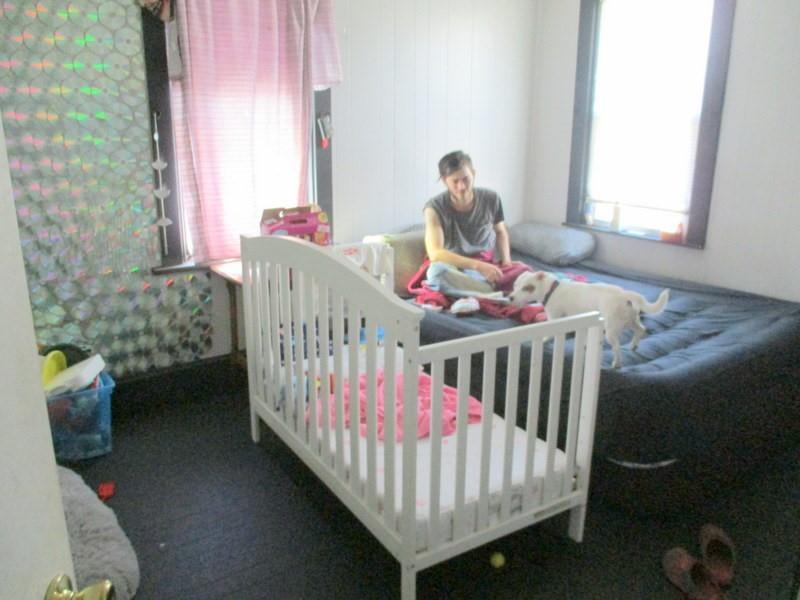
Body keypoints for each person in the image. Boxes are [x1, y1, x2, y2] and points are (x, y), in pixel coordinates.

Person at [423, 150, 518, 295]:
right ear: (444, 181)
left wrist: (506, 262)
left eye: (466, 179)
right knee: (436, 272)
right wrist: (477, 266)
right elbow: (435, 253)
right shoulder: (434, 208)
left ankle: (483, 291)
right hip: (454, 265)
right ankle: (490, 291)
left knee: (526, 273)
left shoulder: (492, 198)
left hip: (486, 266)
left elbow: (500, 231)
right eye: (455, 181)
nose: (461, 186)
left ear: (473, 173)